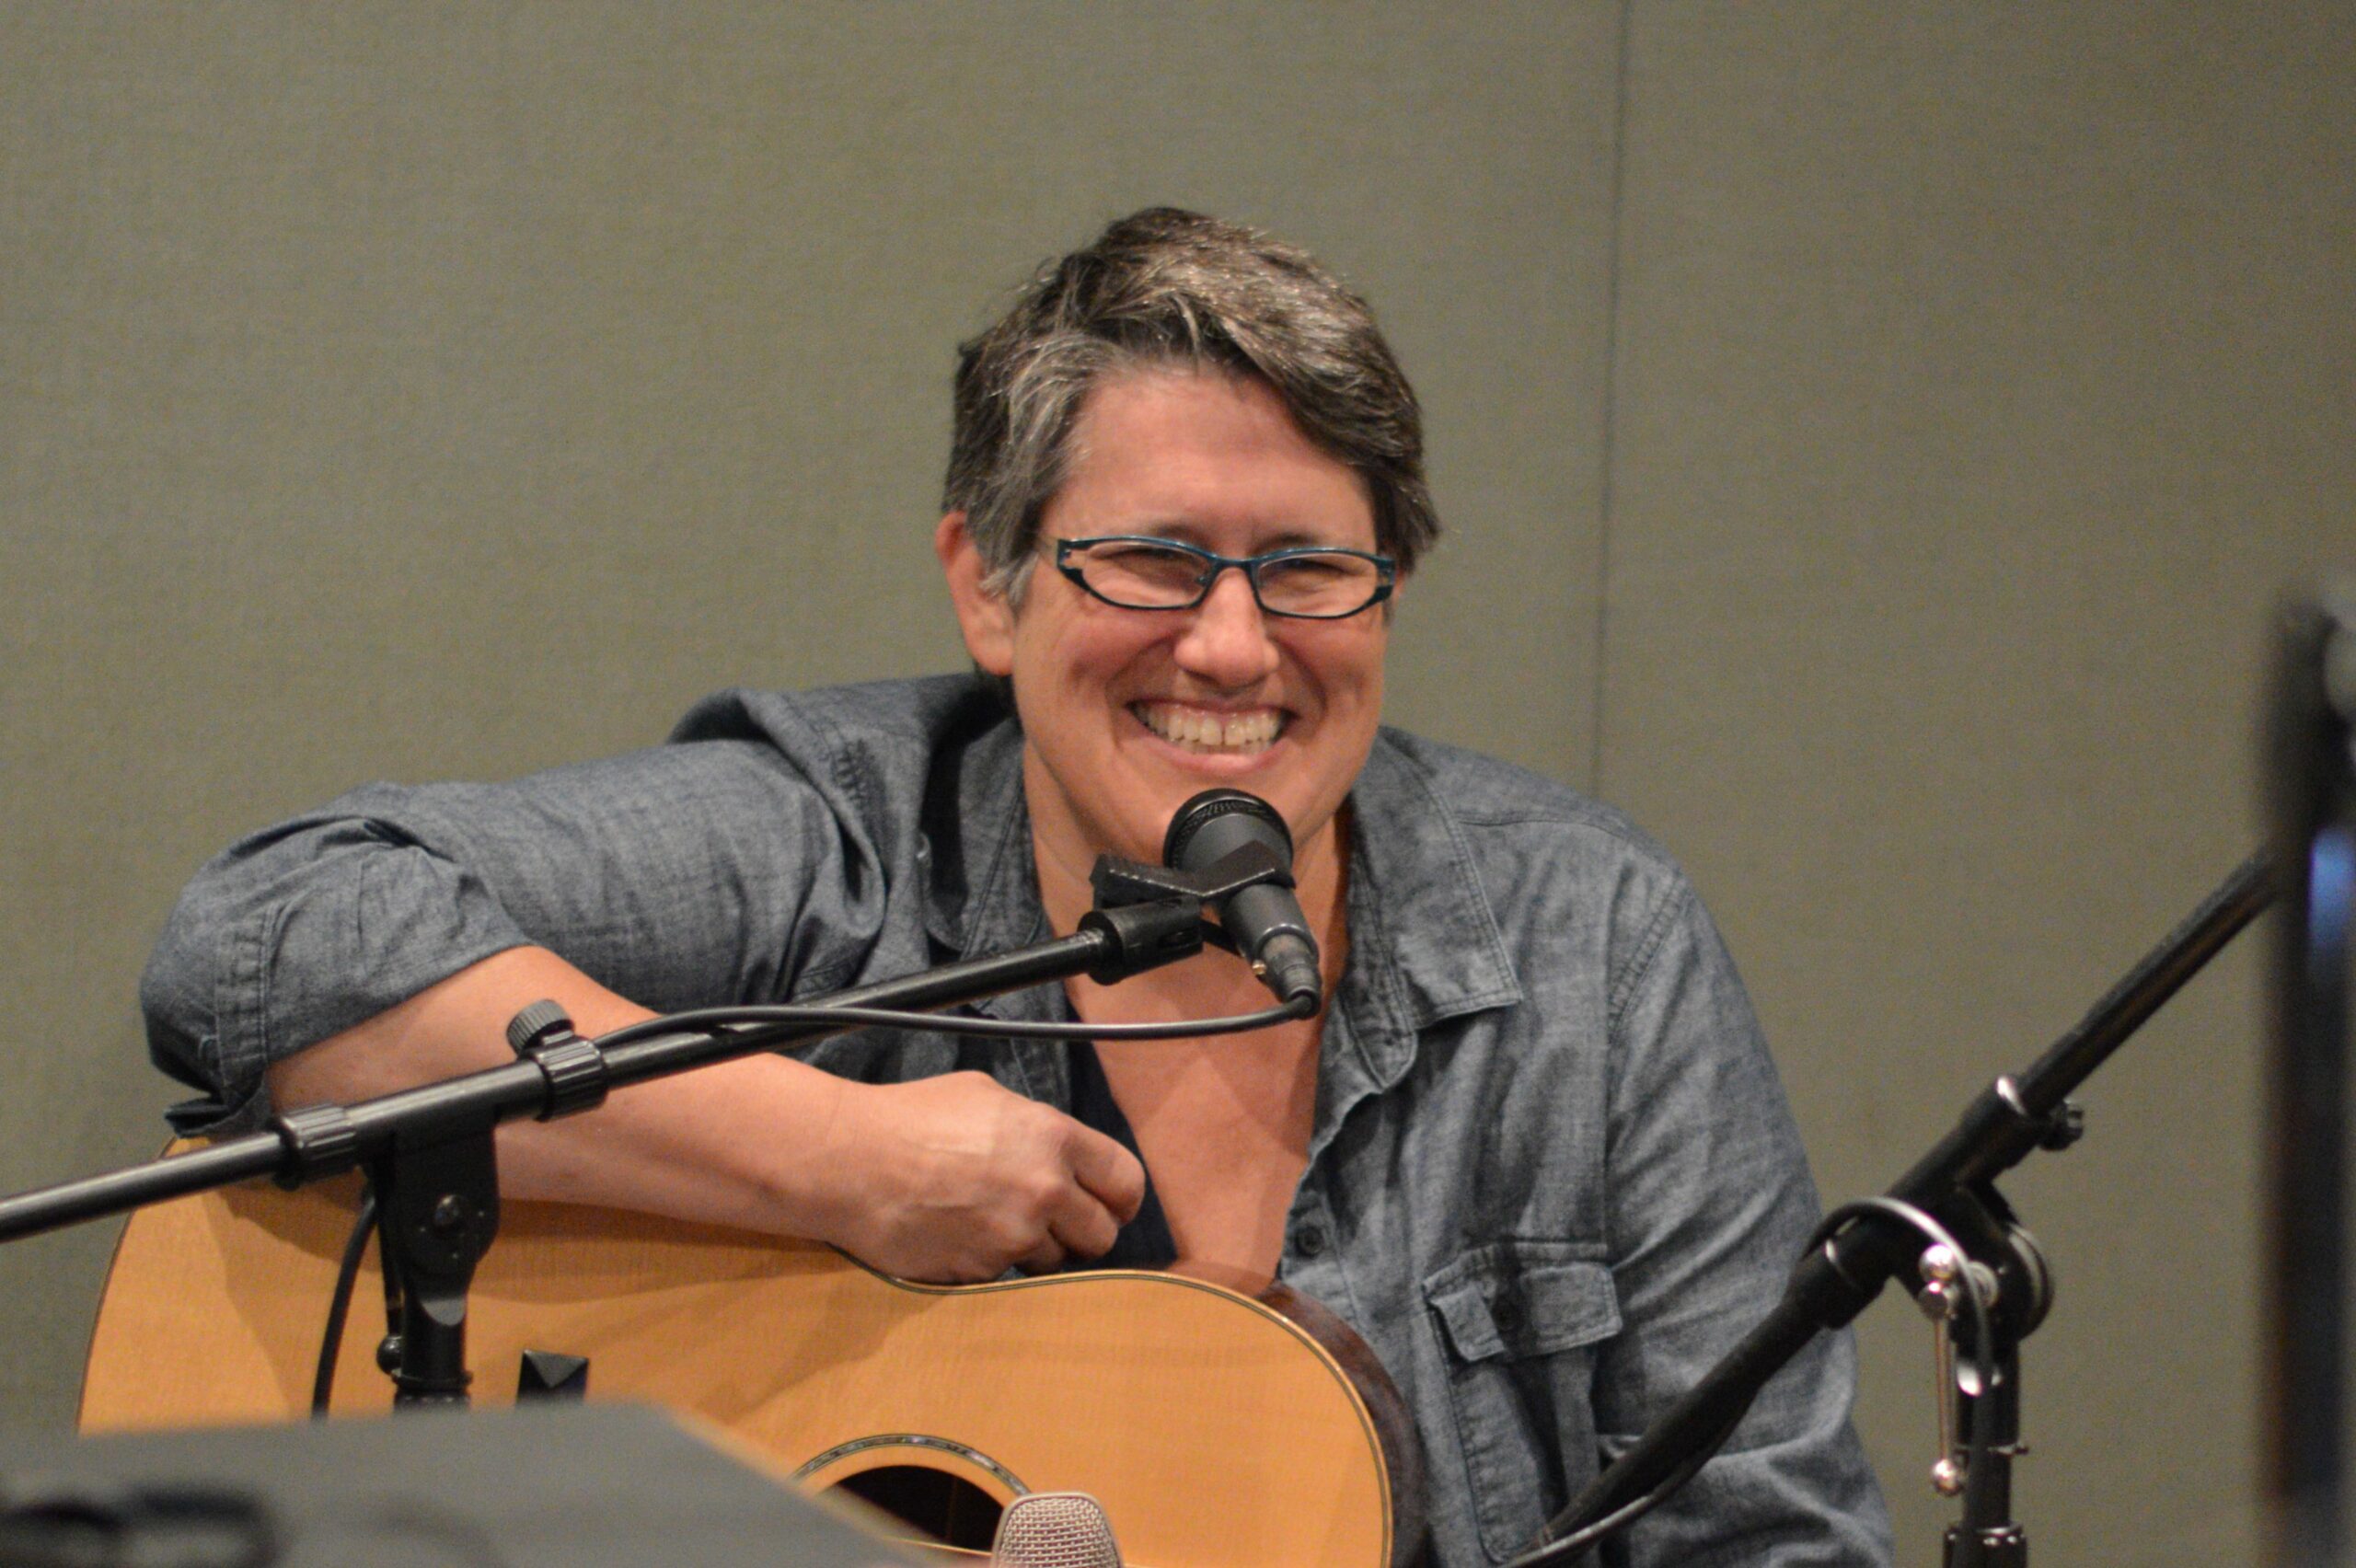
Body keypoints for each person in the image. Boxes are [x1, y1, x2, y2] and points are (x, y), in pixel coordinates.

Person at [142, 207, 1894, 1566]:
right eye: (1151, 561)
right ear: (990, 590)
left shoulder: (1594, 946)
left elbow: (1774, 1534)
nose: (1234, 646)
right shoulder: (836, 847)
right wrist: (837, 1160)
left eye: (1308, 569)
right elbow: (268, 935)